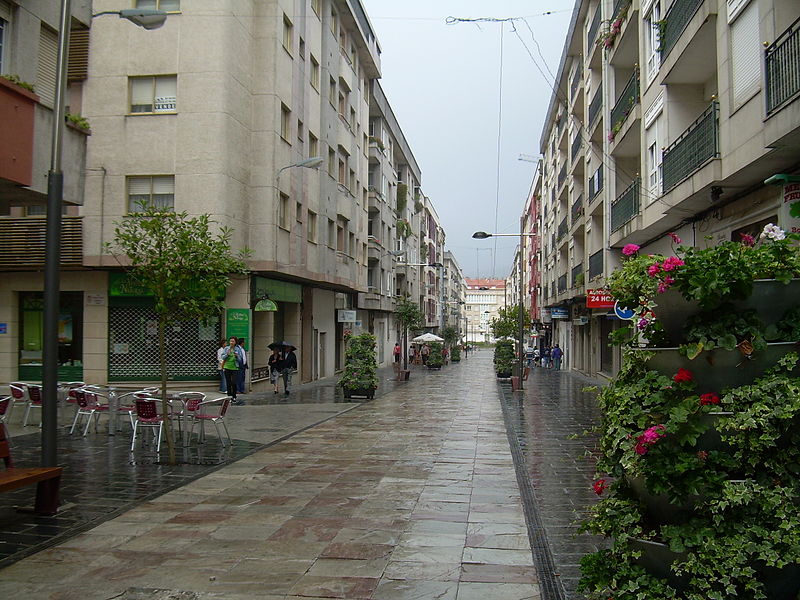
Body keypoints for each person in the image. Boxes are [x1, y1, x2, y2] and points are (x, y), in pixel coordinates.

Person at [220, 336, 245, 405]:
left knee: (234, 382)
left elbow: (241, 359)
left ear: (235, 342)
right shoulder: (226, 348)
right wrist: (226, 355)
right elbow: (222, 357)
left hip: (235, 367)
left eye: (233, 341)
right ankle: (229, 396)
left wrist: (237, 356)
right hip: (227, 367)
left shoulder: (238, 349)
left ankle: (234, 396)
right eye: (230, 341)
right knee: (228, 382)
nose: (231, 342)